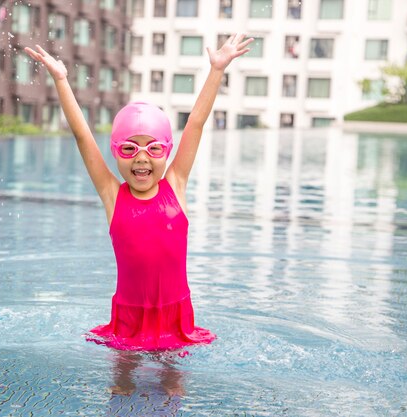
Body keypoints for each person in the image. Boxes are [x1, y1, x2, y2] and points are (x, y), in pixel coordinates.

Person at [25, 33, 253, 352]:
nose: (142, 158)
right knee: (121, 389)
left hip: (176, 317)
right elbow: (81, 136)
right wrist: (61, 79)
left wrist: (217, 70)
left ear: (167, 152)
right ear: (116, 152)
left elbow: (197, 124)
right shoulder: (112, 195)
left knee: (173, 392)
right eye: (130, 148)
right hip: (128, 319)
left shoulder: (175, 184)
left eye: (153, 148)